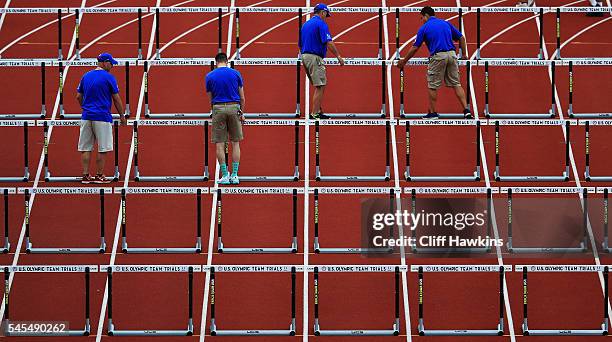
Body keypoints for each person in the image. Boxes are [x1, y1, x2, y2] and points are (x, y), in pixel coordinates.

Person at [397, 7, 472, 120]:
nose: (421, 20)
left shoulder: (424, 28)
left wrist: (404, 61)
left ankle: (432, 113)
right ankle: (466, 111)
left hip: (438, 57)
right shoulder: (446, 23)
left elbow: (415, 47)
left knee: (432, 85)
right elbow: (461, 37)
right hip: (452, 55)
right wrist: (464, 54)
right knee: (456, 83)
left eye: (421, 18)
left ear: (426, 15)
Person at [76, 52, 126, 184]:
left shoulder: (85, 76)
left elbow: (78, 96)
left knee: (85, 147)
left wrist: (85, 108)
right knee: (103, 148)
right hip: (102, 116)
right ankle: (99, 175)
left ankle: (85, 175)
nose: (112, 66)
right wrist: (122, 115)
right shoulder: (109, 78)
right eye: (111, 63)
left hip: (86, 116)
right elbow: (116, 98)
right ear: (104, 62)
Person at [299, 3, 345, 120]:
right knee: (320, 85)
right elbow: (328, 42)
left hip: (305, 56)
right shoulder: (321, 24)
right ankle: (315, 113)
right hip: (315, 57)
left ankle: (318, 109)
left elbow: (300, 44)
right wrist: (338, 56)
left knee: (317, 84)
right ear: (323, 12)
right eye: (326, 14)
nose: (326, 17)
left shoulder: (305, 25)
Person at [206, 52, 245, 185]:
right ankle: (235, 175)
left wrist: (213, 110)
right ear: (227, 61)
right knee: (235, 143)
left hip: (218, 108)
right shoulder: (236, 73)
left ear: (216, 62)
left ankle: (225, 175)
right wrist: (242, 112)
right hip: (234, 107)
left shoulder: (210, 76)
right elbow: (242, 97)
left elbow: (210, 98)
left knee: (220, 143)